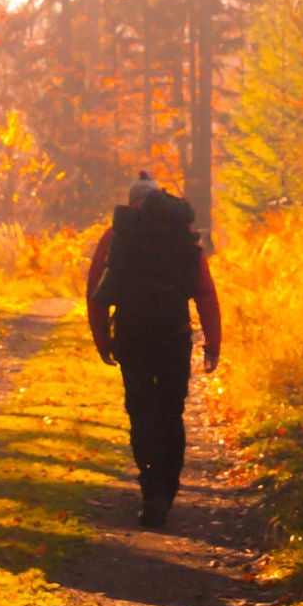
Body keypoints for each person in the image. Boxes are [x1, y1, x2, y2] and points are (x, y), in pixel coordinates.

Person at [85, 172, 221, 527]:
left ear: (131, 202)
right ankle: (168, 489)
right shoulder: (181, 236)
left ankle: (151, 492)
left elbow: (96, 293)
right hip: (174, 335)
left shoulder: (117, 235)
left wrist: (102, 339)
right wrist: (212, 343)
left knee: (141, 411)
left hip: (132, 334)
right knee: (171, 412)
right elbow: (205, 291)